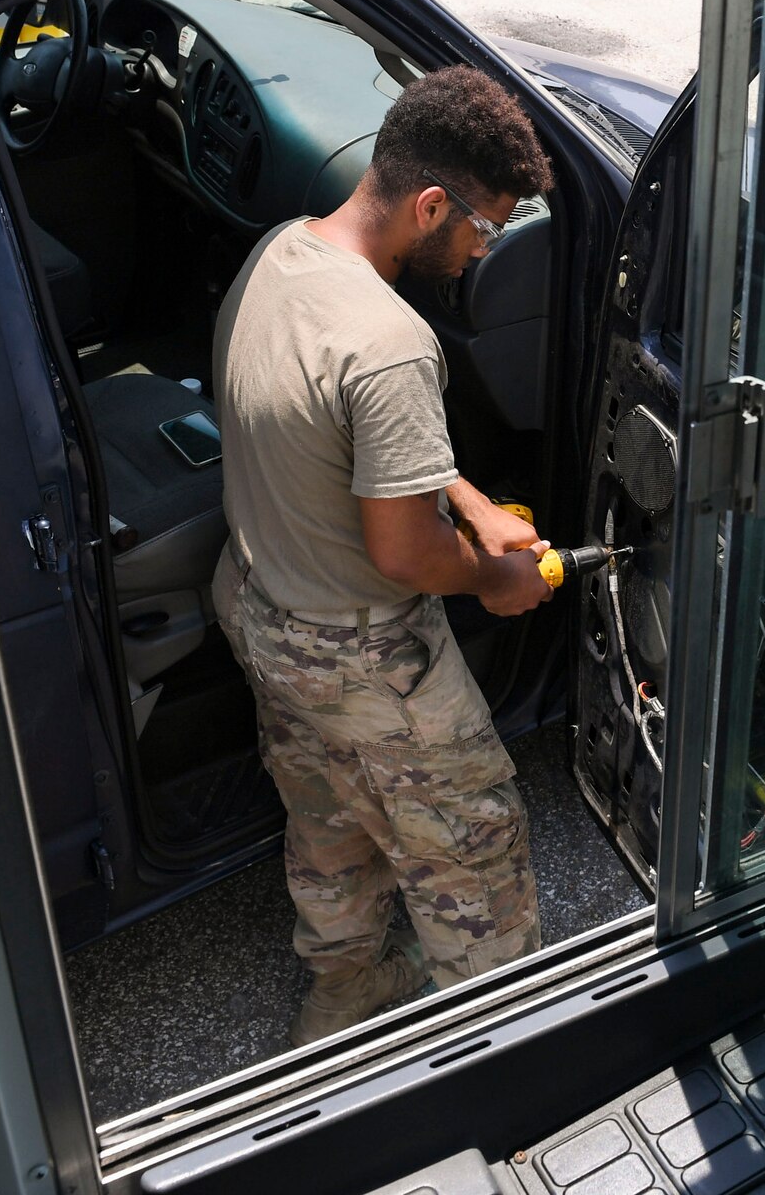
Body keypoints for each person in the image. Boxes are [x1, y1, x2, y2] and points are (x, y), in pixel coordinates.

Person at [210, 65, 555, 1046]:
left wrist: (468, 496)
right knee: (471, 847)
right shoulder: (394, 342)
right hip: (364, 658)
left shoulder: (282, 254)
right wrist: (495, 575)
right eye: (484, 226)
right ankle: (504, 1039)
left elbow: (335, 427)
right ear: (432, 202)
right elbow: (403, 553)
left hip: (261, 607)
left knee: (327, 816)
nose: (484, 248)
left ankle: (345, 989)